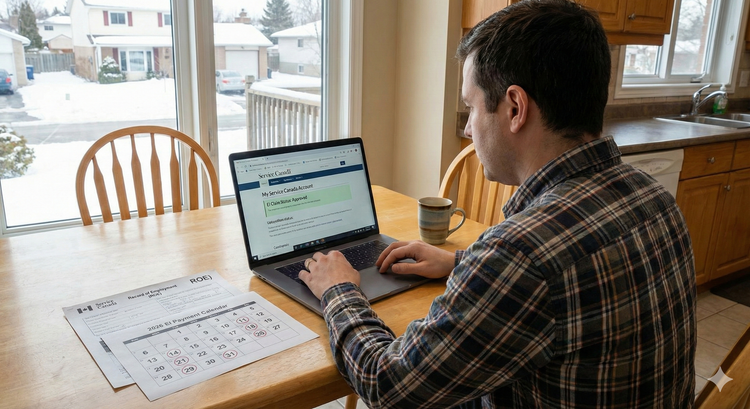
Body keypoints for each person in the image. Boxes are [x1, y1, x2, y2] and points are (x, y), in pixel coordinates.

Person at [299, 0, 697, 407]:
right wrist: (460, 263)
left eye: (471, 107)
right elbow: (572, 281)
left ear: (514, 108)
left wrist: (338, 290)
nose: (468, 129)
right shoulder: (655, 197)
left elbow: (390, 386)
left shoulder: (520, 254)